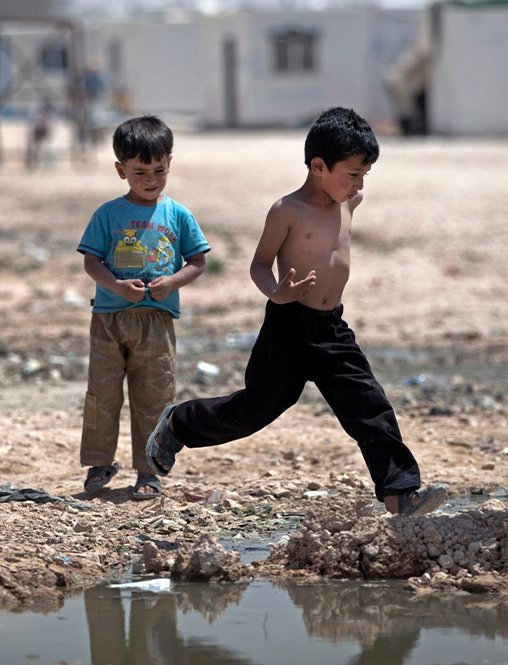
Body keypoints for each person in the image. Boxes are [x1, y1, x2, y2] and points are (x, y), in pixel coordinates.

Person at [146, 107, 446, 517]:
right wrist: (277, 292)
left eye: (365, 174)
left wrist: (351, 187)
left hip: (331, 328)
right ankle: (178, 423)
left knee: (369, 405)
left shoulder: (349, 202)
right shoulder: (286, 210)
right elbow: (258, 264)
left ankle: (401, 494)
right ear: (318, 166)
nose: (359, 184)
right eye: (352, 173)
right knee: (254, 410)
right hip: (288, 326)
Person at [78, 115, 209, 500]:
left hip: (156, 322)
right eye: (139, 172)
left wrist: (171, 283)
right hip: (108, 319)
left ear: (170, 163)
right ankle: (99, 463)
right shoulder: (107, 214)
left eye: (159, 170)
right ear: (121, 170)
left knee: (154, 397)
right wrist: (117, 285)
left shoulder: (179, 215)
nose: (150, 179)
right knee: (102, 394)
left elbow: (197, 262)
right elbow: (91, 261)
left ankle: (149, 471)